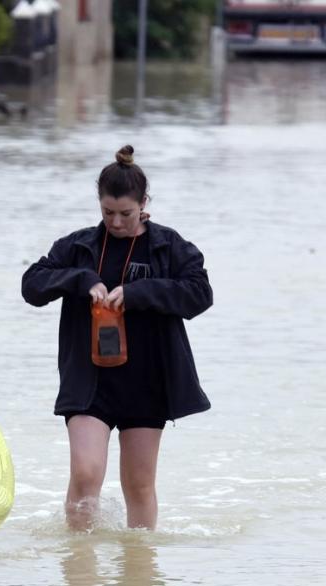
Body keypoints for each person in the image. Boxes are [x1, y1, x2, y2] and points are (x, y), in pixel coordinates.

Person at [21, 145, 212, 531]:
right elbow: (32, 286)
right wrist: (82, 279)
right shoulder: (78, 247)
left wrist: (139, 293)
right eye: (108, 212)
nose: (117, 222)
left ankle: (138, 581)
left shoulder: (169, 247)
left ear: (144, 204)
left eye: (126, 213)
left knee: (139, 486)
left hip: (147, 381)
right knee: (86, 475)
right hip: (90, 381)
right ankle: (78, 574)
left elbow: (199, 294)